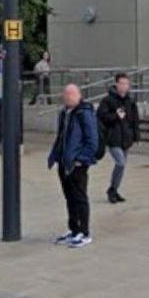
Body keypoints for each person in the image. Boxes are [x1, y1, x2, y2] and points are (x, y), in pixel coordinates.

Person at [47, 84, 98, 249]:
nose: (68, 97)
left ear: (79, 95)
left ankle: (84, 231)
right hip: (64, 162)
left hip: (77, 164)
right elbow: (61, 137)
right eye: (66, 94)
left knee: (80, 197)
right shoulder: (65, 113)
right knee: (69, 197)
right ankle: (74, 229)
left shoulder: (85, 113)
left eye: (72, 94)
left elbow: (92, 140)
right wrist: (54, 156)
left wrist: (81, 160)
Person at [96, 73, 139, 204]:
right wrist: (115, 116)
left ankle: (114, 190)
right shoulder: (107, 101)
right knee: (120, 162)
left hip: (126, 138)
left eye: (127, 84)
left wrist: (136, 135)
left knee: (122, 165)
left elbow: (135, 120)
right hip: (113, 138)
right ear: (116, 84)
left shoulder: (130, 101)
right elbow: (101, 118)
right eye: (122, 83)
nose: (125, 86)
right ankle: (112, 190)